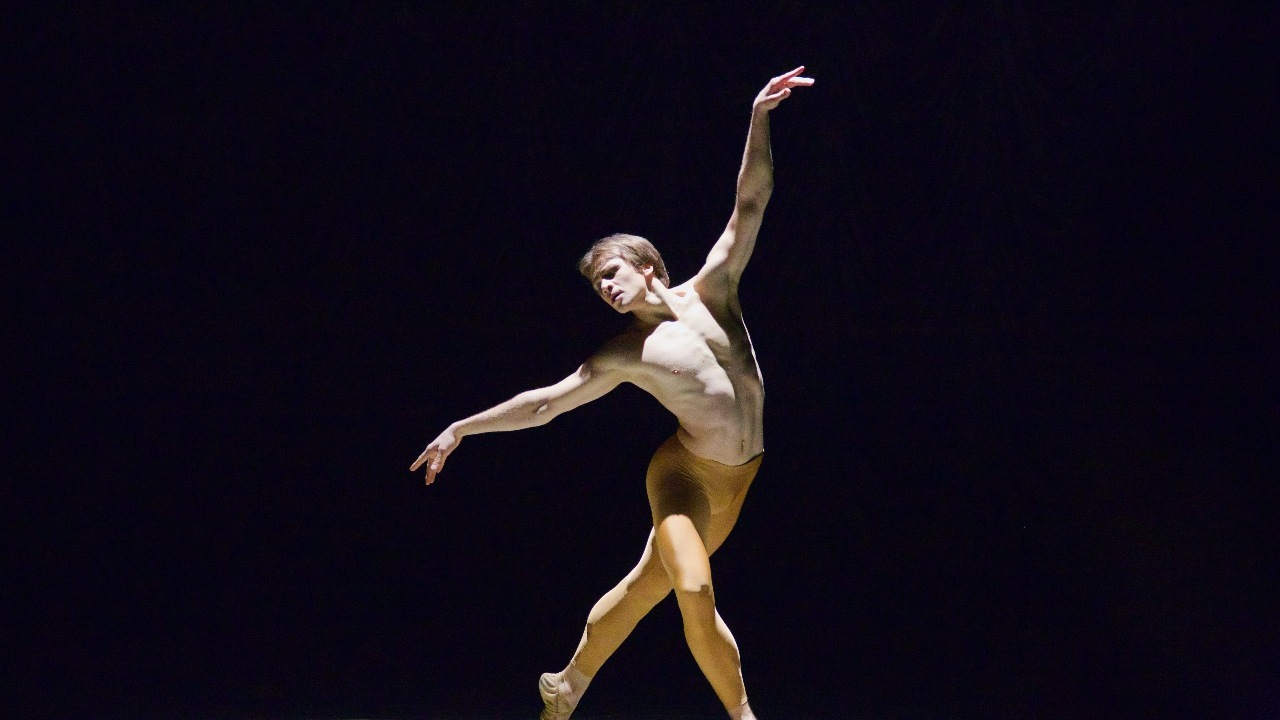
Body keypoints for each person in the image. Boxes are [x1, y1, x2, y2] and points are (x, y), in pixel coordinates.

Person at [411, 66, 813, 720]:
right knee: (693, 588)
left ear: (647, 266)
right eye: (598, 285)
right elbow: (547, 402)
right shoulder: (627, 353)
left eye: (612, 273)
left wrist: (758, 117)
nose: (605, 288)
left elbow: (752, 201)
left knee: (644, 588)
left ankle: (566, 686)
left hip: (739, 480)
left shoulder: (714, 289)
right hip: (684, 477)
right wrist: (462, 428)